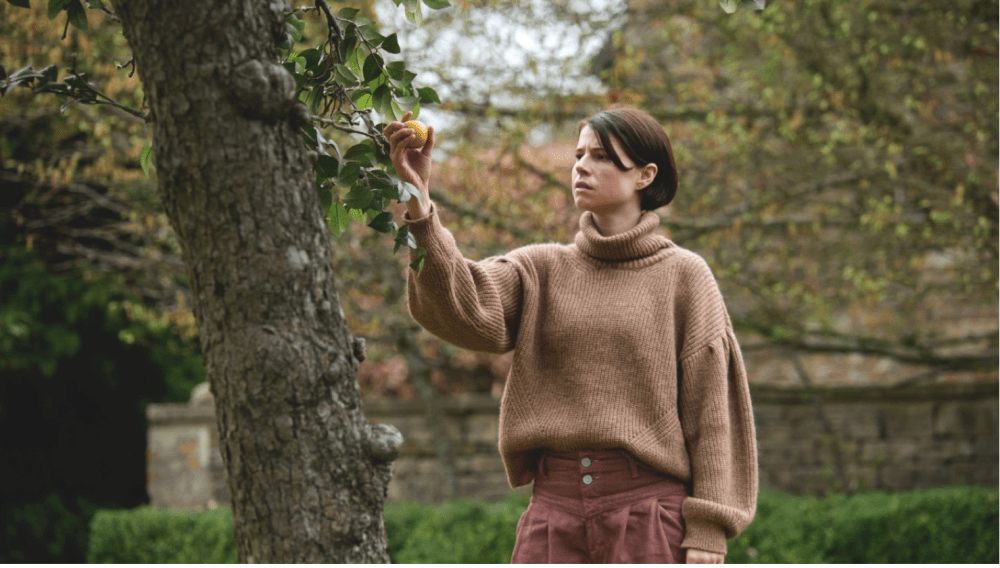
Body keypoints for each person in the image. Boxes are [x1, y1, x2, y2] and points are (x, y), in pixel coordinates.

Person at [383, 106, 757, 564]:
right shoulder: (540, 269)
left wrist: (708, 532)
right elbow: (459, 305)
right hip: (551, 520)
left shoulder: (685, 277)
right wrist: (419, 203)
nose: (581, 165)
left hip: (650, 521)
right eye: (578, 154)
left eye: (600, 156)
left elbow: (714, 415)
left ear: (645, 174)